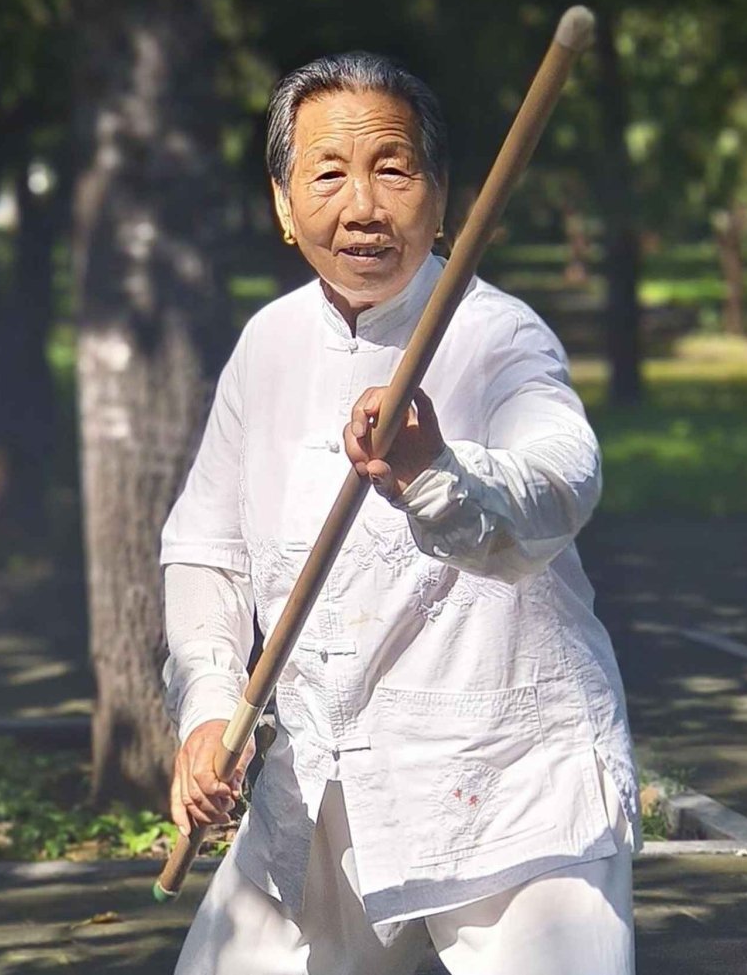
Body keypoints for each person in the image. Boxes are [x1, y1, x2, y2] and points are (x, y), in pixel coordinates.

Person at [162, 53, 637, 975]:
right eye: (329, 174)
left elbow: (563, 480)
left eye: (393, 169)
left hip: (508, 791)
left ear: (442, 193)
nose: (363, 207)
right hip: (319, 795)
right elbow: (206, 548)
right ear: (283, 205)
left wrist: (435, 472)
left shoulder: (499, 333)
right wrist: (210, 714)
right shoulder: (268, 345)